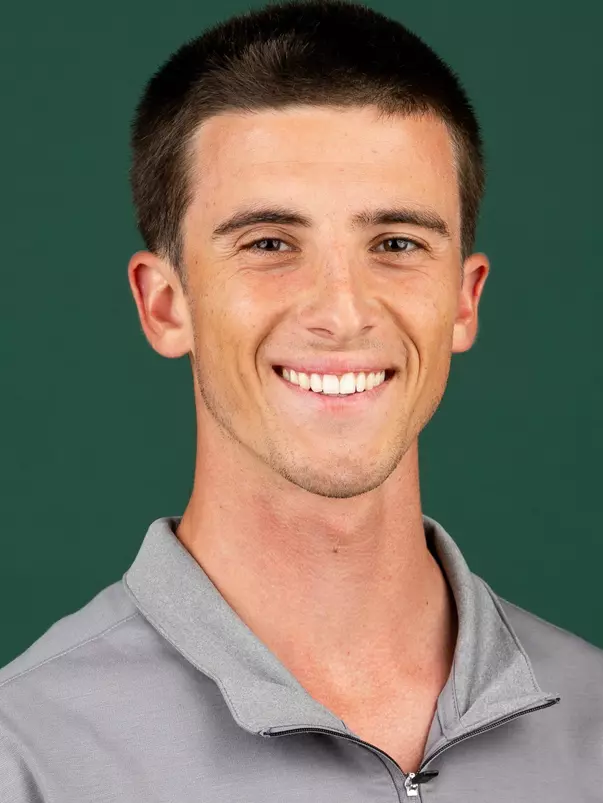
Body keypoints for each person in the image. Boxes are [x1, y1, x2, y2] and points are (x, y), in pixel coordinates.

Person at [1, 0, 602, 800]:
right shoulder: (28, 755)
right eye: (269, 244)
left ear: (464, 301)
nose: (341, 312)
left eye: (396, 244)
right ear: (165, 304)